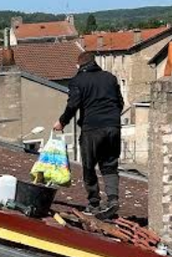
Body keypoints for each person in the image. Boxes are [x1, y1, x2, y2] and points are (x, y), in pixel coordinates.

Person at [53, 50, 124, 220]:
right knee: (109, 164)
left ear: (79, 65)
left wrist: (62, 122)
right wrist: (111, 118)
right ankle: (113, 199)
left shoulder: (78, 81)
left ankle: (94, 203)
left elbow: (73, 105)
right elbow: (120, 102)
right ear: (95, 62)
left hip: (92, 128)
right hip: (113, 126)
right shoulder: (110, 78)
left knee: (89, 165)